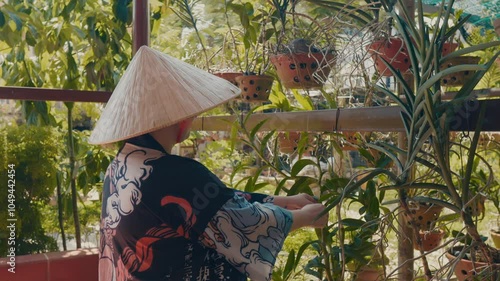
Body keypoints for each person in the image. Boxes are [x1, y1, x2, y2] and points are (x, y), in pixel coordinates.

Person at [90, 46, 328, 281]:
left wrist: (281, 201)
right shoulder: (176, 173)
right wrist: (307, 217)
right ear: (180, 118)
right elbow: (242, 224)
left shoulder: (121, 165)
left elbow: (216, 202)